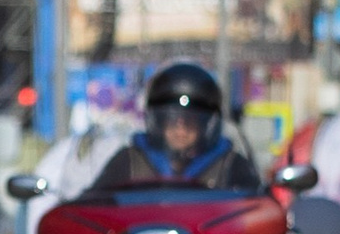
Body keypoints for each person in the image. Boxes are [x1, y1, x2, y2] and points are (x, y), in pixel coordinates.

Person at [85, 62, 264, 192]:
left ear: (206, 126)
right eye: (171, 121)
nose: (180, 130)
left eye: (190, 122)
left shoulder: (230, 165)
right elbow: (92, 205)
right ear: (157, 122)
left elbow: (256, 211)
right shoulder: (130, 161)